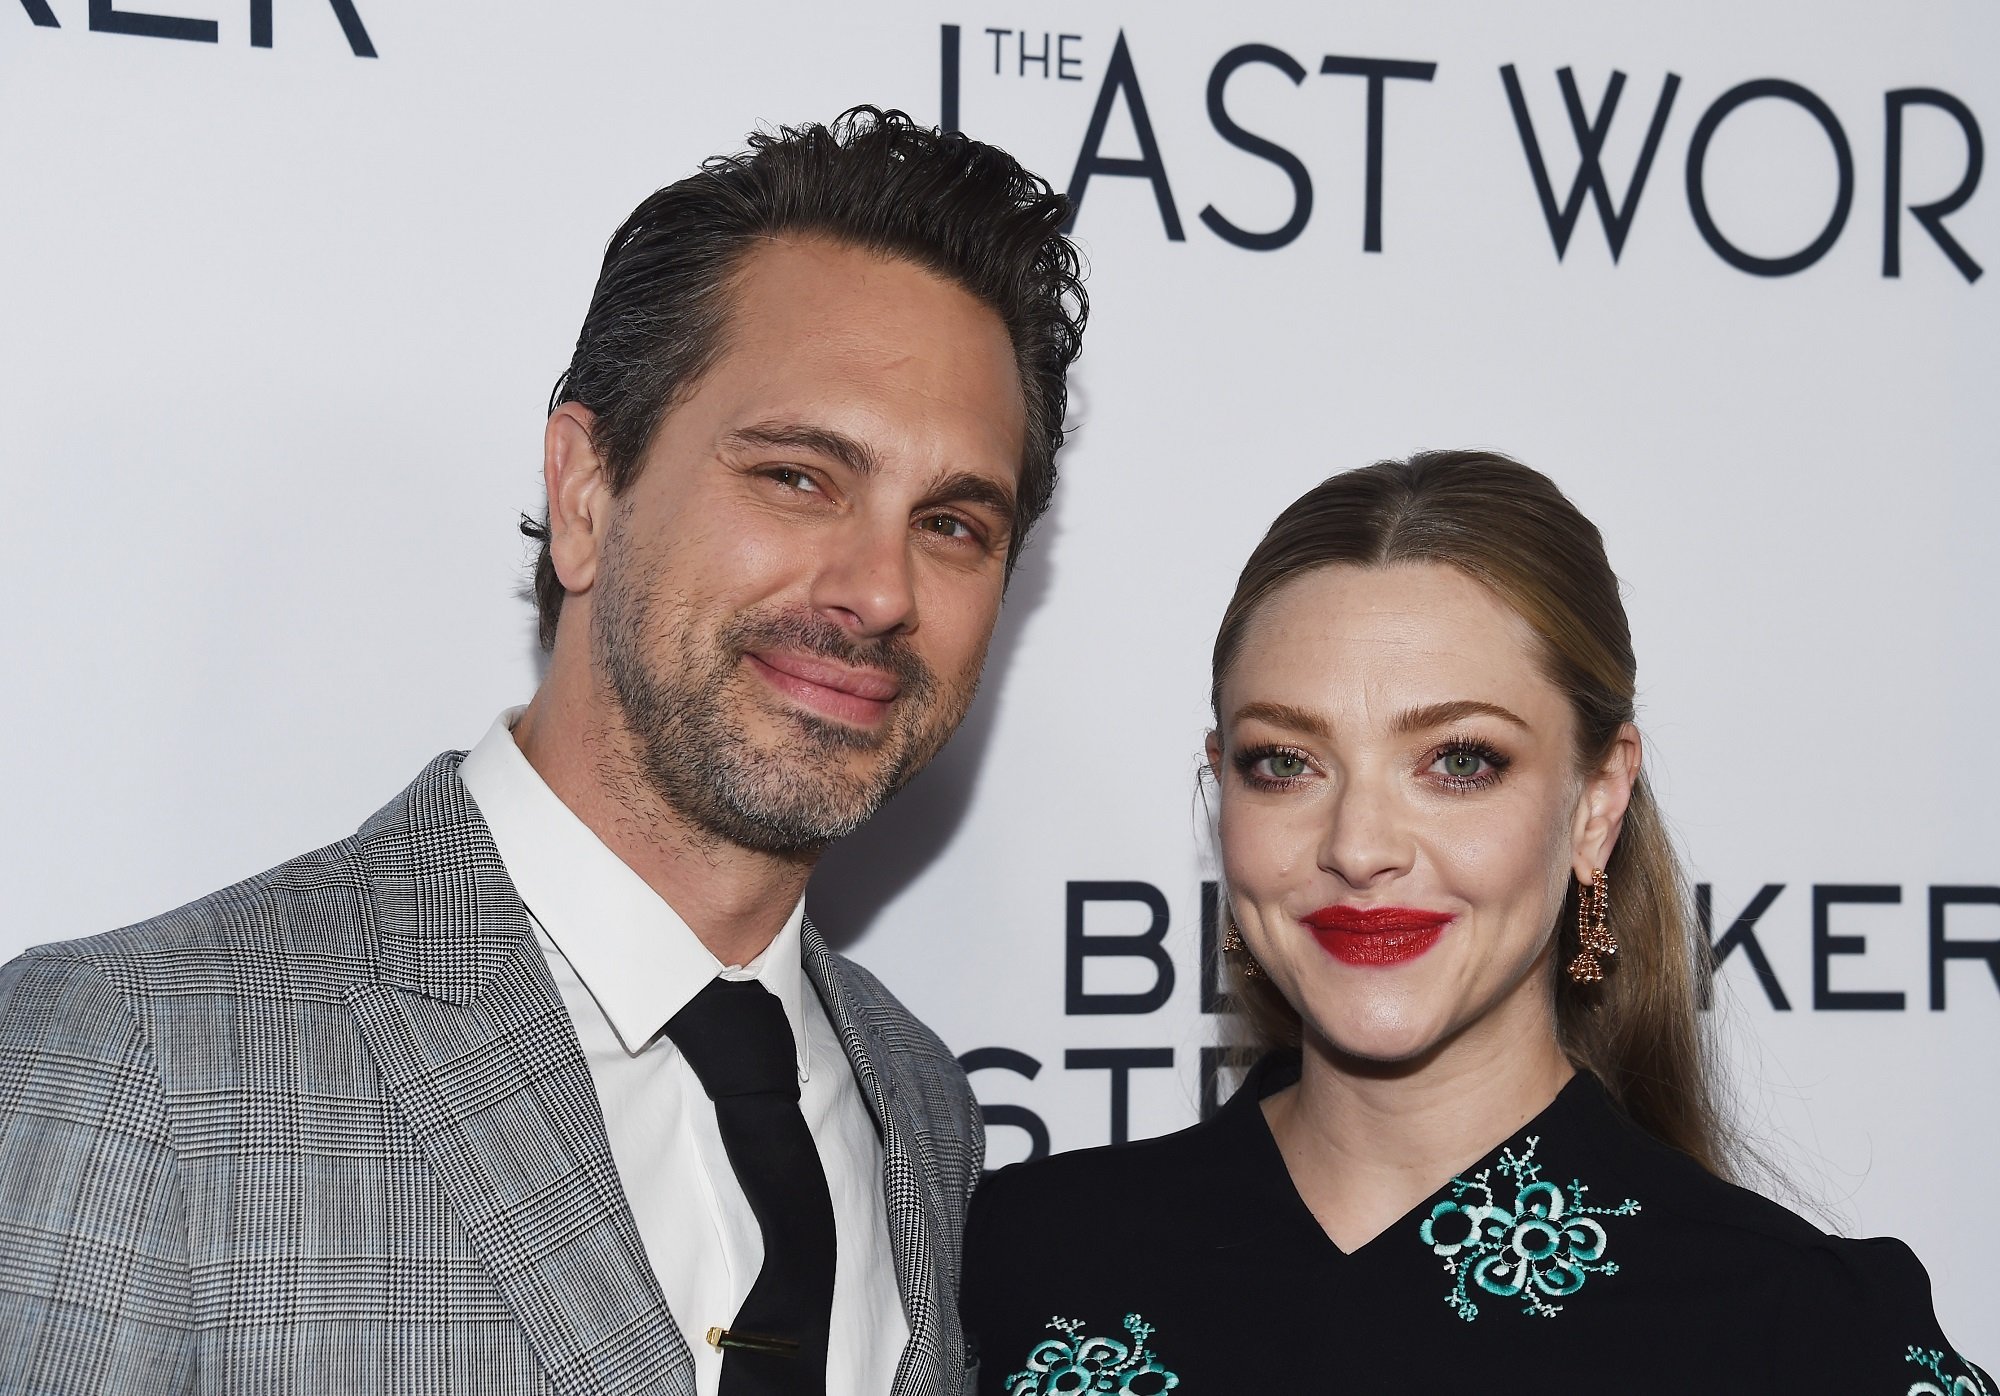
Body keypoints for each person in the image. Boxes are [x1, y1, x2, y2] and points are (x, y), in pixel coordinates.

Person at [0, 108, 1085, 1395]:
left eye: (954, 523)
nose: (877, 589)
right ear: (585, 492)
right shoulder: (135, 1060)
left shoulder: (921, 1112)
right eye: (797, 476)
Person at [961, 451, 1990, 1393]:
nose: (1358, 845)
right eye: (1282, 761)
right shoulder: (1027, 1262)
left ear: (1596, 802)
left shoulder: (1805, 1336)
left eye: (1459, 760)